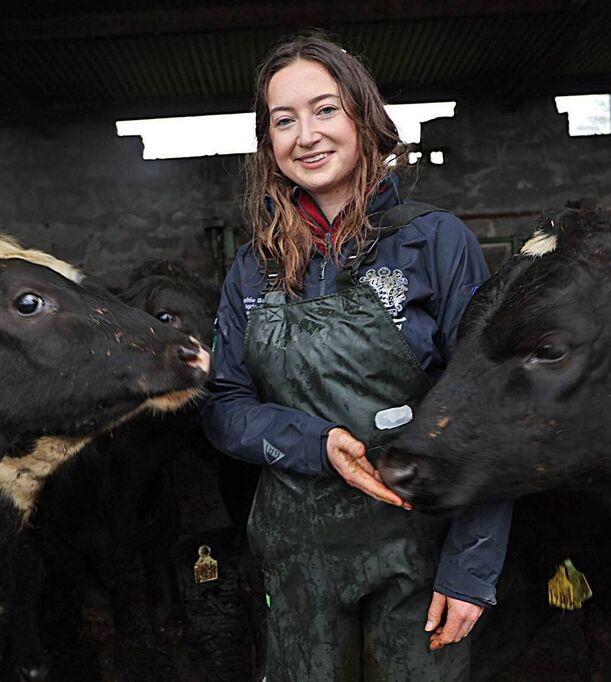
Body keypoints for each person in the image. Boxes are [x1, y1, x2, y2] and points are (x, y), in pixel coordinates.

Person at [201, 34, 514, 681]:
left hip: (418, 547)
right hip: (296, 554)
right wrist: (318, 444)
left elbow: (492, 408)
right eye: (283, 120)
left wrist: (472, 568)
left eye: (325, 110)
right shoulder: (254, 266)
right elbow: (224, 407)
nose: (306, 134)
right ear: (268, 143)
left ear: (362, 118)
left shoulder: (435, 241)